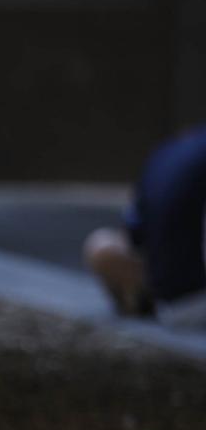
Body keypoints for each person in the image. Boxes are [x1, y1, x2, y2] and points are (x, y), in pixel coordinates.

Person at [82, 125, 206, 317]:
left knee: (102, 243)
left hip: (174, 301)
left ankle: (143, 300)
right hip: (193, 300)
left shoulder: (169, 151)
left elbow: (134, 234)